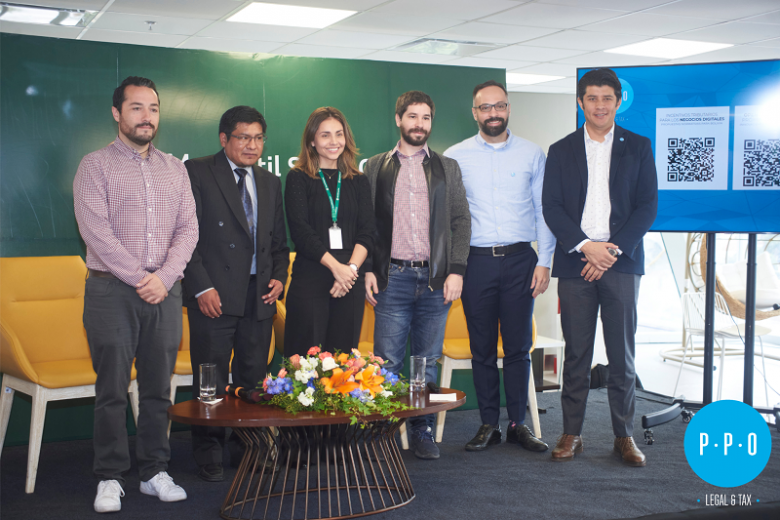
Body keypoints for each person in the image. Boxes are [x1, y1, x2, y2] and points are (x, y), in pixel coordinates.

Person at [73, 76, 198, 513]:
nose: (147, 117)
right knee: (111, 389)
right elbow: (95, 231)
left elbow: (188, 229)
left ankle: (153, 472)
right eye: (137, 107)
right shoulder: (94, 165)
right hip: (111, 290)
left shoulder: (175, 168)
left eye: (154, 108)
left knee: (158, 389)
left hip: (165, 291)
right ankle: (109, 476)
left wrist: (164, 277)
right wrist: (141, 278)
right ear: (117, 113)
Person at [542, 68, 658, 467]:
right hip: (576, 262)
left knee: (622, 354)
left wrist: (610, 252)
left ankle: (624, 436)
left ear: (618, 102)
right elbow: (552, 207)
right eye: (592, 98)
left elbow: (647, 206)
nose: (600, 105)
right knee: (577, 353)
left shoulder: (638, 146)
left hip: (621, 264)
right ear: (581, 102)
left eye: (607, 98)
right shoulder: (561, 149)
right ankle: (571, 433)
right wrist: (587, 248)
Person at [444, 80, 555, 453]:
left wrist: (545, 261)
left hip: (522, 260)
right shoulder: (455, 157)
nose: (493, 113)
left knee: (519, 348)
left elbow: (543, 210)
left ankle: (518, 425)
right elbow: (449, 218)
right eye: (485, 107)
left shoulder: (532, 154)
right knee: (482, 349)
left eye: (500, 106)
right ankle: (488, 424)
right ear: (474, 113)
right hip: (476, 262)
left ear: (508, 108)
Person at [182, 106, 289, 482]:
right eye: (243, 137)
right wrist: (201, 286)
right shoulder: (197, 171)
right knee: (210, 377)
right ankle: (208, 450)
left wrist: (280, 278)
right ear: (224, 138)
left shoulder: (270, 182)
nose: (252, 145)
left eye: (258, 138)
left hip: (259, 295)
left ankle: (250, 448)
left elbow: (279, 243)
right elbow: (185, 238)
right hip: (213, 294)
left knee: (253, 377)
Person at [364, 91, 471, 460]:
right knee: (388, 362)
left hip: (435, 280)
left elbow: (461, 221)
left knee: (426, 361)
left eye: (426, 117)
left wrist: (457, 270)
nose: (419, 124)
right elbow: (365, 225)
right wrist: (367, 269)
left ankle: (421, 428)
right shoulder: (375, 166)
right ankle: (383, 431)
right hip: (391, 277)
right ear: (399, 119)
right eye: (412, 116)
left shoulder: (447, 167)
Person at [284, 107, 374, 356]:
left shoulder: (359, 181)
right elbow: (301, 232)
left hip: (349, 283)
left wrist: (350, 271)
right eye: (325, 135)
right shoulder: (298, 178)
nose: (334, 141)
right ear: (312, 140)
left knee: (344, 364)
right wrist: (337, 269)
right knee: (305, 363)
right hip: (311, 278)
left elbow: (367, 231)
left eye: (339, 134)